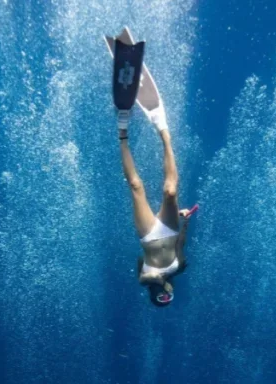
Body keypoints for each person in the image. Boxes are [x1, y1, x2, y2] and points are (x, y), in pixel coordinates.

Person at [106, 27, 195, 307]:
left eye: (162, 298)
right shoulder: (179, 268)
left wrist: (159, 283)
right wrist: (186, 222)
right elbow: (180, 246)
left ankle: (123, 128)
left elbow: (149, 279)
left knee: (136, 187)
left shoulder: (145, 279)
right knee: (170, 190)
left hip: (147, 236)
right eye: (169, 296)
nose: (165, 293)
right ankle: (162, 128)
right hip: (169, 230)